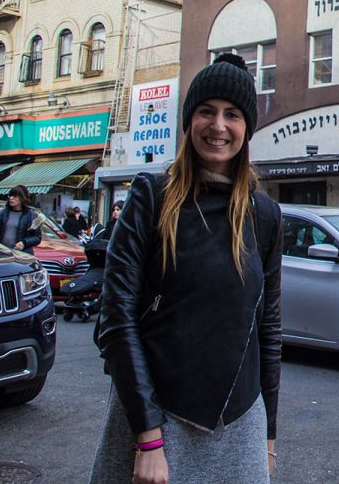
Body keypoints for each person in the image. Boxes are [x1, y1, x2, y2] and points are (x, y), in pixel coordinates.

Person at [90, 54, 282, 484]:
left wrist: (268, 438)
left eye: (232, 114)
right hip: (157, 418)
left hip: (240, 422)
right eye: (206, 111)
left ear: (246, 128)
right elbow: (116, 319)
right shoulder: (150, 197)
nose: (218, 126)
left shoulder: (265, 214)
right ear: (188, 120)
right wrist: (148, 436)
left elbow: (266, 329)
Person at [0, 185, 43, 255]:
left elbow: (37, 238)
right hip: (2, 253)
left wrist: (24, 243)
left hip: (22, 255)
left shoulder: (32, 216)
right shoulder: (1, 214)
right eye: (10, 196)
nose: (11, 198)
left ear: (22, 198)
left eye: (15, 196)